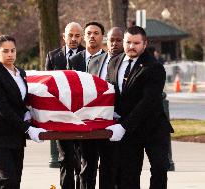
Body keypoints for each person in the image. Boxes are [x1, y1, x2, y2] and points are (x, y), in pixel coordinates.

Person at [105, 26, 174, 189]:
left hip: (153, 128)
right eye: (128, 42)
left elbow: (147, 102)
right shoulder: (114, 62)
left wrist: (124, 127)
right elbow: (110, 92)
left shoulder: (154, 67)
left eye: (136, 43)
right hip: (128, 131)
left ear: (144, 44)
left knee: (159, 169)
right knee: (129, 173)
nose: (131, 46)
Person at [0, 35, 47, 189]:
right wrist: (28, 129)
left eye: (12, 50)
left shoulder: (21, 73)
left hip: (15, 135)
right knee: (8, 179)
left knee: (16, 180)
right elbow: (3, 109)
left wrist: (30, 114)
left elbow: (22, 101)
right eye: (5, 51)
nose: (10, 54)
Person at [45, 22, 85, 189]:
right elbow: (46, 85)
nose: (74, 39)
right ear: (64, 36)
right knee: (66, 158)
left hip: (84, 117)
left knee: (83, 160)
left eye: (77, 35)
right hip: (61, 118)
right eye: (70, 35)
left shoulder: (87, 55)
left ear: (81, 37)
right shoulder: (53, 56)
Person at [69, 21, 105, 189]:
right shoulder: (74, 60)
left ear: (102, 37)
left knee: (106, 167)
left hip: (104, 120)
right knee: (85, 166)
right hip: (81, 121)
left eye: (96, 33)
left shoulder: (109, 59)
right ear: (84, 37)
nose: (92, 36)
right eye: (89, 33)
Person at [87, 27, 124, 189]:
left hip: (118, 123)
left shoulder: (126, 63)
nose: (114, 44)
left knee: (115, 167)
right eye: (111, 40)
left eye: (118, 40)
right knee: (96, 167)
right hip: (96, 122)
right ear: (106, 41)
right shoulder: (95, 62)